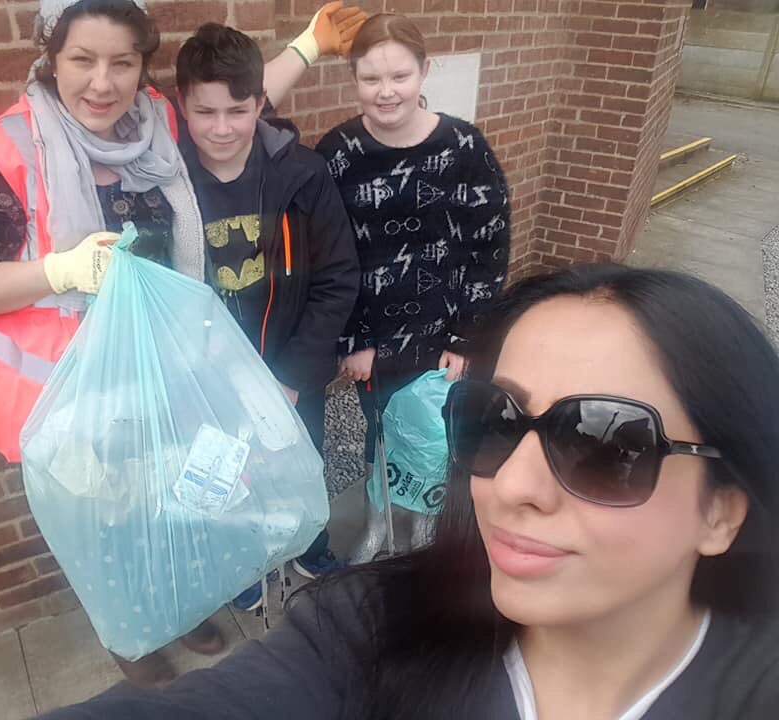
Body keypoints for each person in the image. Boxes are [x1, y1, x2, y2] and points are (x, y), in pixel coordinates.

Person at [38, 263, 779, 719]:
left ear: (722, 509)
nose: (510, 485)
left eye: (602, 443)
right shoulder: (372, 631)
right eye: (491, 420)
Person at [0, 0, 362, 687]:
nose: (101, 82)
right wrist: (61, 270)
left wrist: (310, 44)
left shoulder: (156, 126)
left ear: (142, 68)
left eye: (121, 62)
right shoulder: (6, 149)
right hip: (68, 388)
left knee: (167, 499)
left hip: (162, 369)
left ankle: (178, 601)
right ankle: (129, 636)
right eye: (82, 60)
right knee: (104, 521)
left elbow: (234, 104)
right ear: (51, 57)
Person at [174, 24, 360, 610]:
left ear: (261, 102)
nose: (222, 128)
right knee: (223, 474)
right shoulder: (167, 182)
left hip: (287, 364)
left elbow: (337, 277)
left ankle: (310, 544)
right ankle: (245, 565)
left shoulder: (301, 174)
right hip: (208, 373)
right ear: (182, 106)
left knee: (302, 462)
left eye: (237, 109)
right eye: (205, 112)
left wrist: (294, 374)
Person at [314, 13, 511, 560]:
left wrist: (467, 338)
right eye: (370, 78)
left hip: (444, 335)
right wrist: (353, 340)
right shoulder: (337, 153)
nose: (385, 91)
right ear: (353, 78)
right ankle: (380, 522)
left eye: (399, 76)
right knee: (380, 433)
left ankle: (424, 531)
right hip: (375, 341)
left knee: (437, 438)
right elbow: (330, 254)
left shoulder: (465, 148)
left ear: (424, 71)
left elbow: (488, 246)